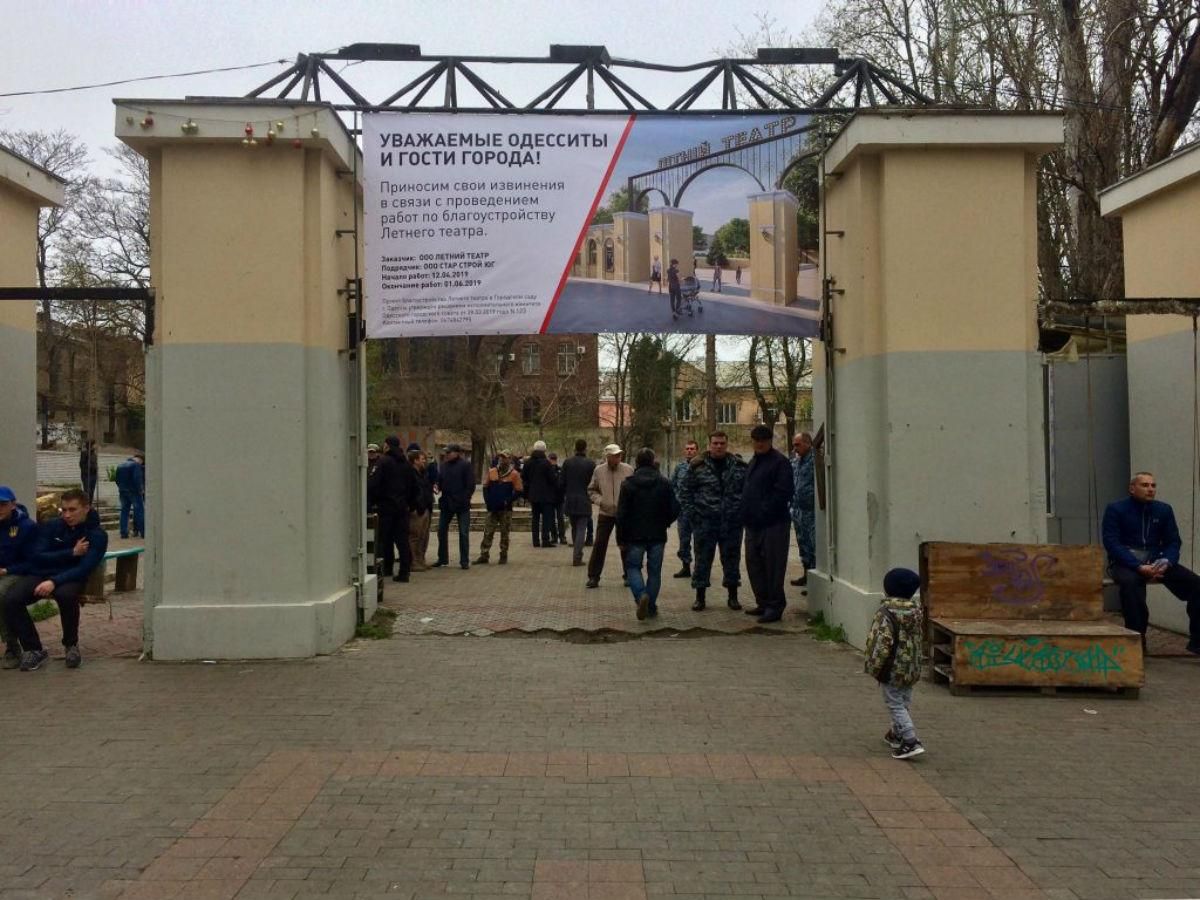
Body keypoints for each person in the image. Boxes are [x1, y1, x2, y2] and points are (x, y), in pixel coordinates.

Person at [3, 488, 108, 671]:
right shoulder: (52, 526)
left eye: (72, 510)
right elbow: (37, 556)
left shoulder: (97, 534)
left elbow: (84, 567)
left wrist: (54, 581)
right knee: (11, 598)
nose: (67, 515)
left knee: (65, 595)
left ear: (86, 508)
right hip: (41, 573)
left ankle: (71, 645)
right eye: (64, 510)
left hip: (72, 576)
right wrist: (72, 552)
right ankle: (33, 649)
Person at [1102, 472, 1200, 654]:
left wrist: (1167, 561)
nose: (1150, 489)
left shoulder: (1164, 510)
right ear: (1132, 488)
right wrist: (1137, 566)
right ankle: (1137, 641)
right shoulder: (1116, 509)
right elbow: (1111, 542)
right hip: (1126, 563)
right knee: (1131, 585)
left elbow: (1173, 542)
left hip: (1157, 562)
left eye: (1153, 486)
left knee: (1197, 586)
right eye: (1145, 485)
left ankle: (1197, 642)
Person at [680, 431, 746, 611]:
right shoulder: (697, 466)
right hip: (705, 522)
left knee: (732, 560)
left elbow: (746, 492)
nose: (718, 446)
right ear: (709, 445)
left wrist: (740, 513)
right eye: (715, 443)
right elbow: (684, 492)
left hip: (731, 523)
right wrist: (694, 515)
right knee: (702, 560)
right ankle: (700, 597)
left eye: (722, 443)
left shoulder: (738, 466)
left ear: (727, 444)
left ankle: (733, 597)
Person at [863, 567, 925, 760]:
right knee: (904, 700)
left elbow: (879, 643)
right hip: (911, 667)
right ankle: (896, 733)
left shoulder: (886, 613)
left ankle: (910, 739)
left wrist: (873, 666)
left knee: (894, 703)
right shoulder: (916, 611)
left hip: (893, 667)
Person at [616, 448, 679, 621]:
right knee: (654, 571)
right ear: (653, 462)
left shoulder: (628, 484)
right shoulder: (664, 483)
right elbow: (675, 508)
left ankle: (640, 595)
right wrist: (665, 522)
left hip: (634, 535)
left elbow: (621, 514)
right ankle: (650, 606)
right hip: (658, 535)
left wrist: (620, 538)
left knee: (633, 567)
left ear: (636, 463)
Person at [741, 425, 794, 623]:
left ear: (770, 441)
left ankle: (775, 606)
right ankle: (762, 602)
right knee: (754, 565)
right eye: (756, 440)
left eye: (763, 440)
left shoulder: (780, 463)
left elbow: (783, 493)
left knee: (773, 566)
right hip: (752, 525)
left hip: (774, 524)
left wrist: (763, 512)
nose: (760, 443)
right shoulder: (754, 461)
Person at [0, 486, 38, 669]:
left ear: (13, 504)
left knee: (1, 595)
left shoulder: (26, 526)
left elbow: (33, 561)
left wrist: (7, 570)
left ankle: (12, 647)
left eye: (3, 504)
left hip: (20, 573)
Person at [586, 444, 633, 588]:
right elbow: (591, 490)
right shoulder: (598, 471)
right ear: (607, 457)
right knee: (600, 544)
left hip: (624, 513)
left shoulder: (628, 470)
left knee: (625, 545)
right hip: (605, 513)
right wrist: (601, 501)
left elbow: (633, 489)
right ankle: (594, 576)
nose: (617, 457)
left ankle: (629, 575)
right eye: (614, 455)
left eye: (619, 455)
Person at [380, 436, 419, 583]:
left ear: (388, 446)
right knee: (402, 541)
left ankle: (388, 568)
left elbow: (375, 484)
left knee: (386, 540)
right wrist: (411, 504)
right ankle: (404, 571)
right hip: (402, 508)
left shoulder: (383, 462)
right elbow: (414, 487)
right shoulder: (406, 464)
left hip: (386, 507)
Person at [476, 451, 523, 565]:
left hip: (505, 509)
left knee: (504, 532)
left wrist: (508, 501)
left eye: (504, 458)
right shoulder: (492, 472)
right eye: (500, 458)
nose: (502, 460)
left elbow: (519, 490)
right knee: (488, 532)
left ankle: (503, 554)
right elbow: (485, 487)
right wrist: (488, 502)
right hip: (492, 508)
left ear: (509, 459)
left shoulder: (514, 474)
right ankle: (484, 554)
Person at [434, 444, 475, 569]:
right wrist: (437, 486)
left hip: (462, 504)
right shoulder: (443, 466)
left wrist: (465, 497)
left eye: (449, 452)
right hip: (446, 503)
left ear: (457, 453)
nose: (446, 455)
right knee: (441, 530)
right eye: (446, 453)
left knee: (463, 533)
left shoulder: (465, 465)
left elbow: (470, 484)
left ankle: (464, 560)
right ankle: (442, 558)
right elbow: (440, 482)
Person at [562, 439, 597, 567]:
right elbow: (595, 483)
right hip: (584, 499)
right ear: (585, 448)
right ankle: (577, 556)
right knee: (582, 528)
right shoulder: (590, 464)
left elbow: (562, 482)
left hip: (570, 499)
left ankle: (576, 554)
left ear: (575, 448)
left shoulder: (567, 463)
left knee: (575, 527)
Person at [789, 432, 816, 587]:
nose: (795, 448)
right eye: (794, 445)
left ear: (807, 443)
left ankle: (814, 582)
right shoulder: (796, 462)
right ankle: (806, 574)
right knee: (802, 544)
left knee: (813, 546)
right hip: (798, 510)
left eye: (797, 445)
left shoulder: (815, 460)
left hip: (811, 511)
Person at [670, 440, 699, 578]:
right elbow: (673, 485)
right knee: (684, 540)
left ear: (696, 451)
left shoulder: (703, 466)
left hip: (699, 511)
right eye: (687, 448)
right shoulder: (679, 467)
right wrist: (677, 498)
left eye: (692, 449)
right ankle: (685, 567)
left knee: (700, 541)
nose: (689, 451)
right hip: (683, 512)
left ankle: (700, 568)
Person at [522, 440, 559, 547]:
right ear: (544, 450)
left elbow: (523, 476)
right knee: (546, 518)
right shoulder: (546, 463)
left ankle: (535, 541)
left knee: (535, 518)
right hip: (546, 495)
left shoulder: (528, 462)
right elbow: (552, 479)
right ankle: (545, 540)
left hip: (533, 494)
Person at [408, 449, 434, 572]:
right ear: (415, 460)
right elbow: (412, 492)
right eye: (422, 459)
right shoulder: (410, 473)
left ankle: (421, 560)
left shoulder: (423, 473)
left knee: (423, 536)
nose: (424, 461)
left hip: (426, 507)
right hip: (417, 509)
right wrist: (414, 506)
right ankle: (413, 561)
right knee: (415, 536)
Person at [113, 452, 145, 540]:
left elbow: (116, 479)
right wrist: (140, 489)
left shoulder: (121, 465)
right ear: (140, 460)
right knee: (139, 511)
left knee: (124, 511)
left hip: (123, 491)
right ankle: (143, 532)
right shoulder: (136, 466)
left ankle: (124, 533)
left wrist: (121, 488)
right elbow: (137, 479)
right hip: (134, 491)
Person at [548, 452, 567, 546]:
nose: (553, 461)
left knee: (560, 518)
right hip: (551, 497)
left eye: (554, 459)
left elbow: (562, 483)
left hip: (559, 497)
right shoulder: (548, 470)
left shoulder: (560, 470)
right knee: (552, 518)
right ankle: (554, 536)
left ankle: (562, 536)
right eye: (552, 459)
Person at [79, 439, 99, 505]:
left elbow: (95, 464)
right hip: (87, 475)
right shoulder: (84, 453)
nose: (96, 446)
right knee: (87, 491)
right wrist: (88, 470)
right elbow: (81, 464)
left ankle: (89, 505)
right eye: (94, 445)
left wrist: (96, 471)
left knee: (91, 492)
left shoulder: (94, 454)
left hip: (93, 475)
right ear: (91, 446)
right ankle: (86, 505)